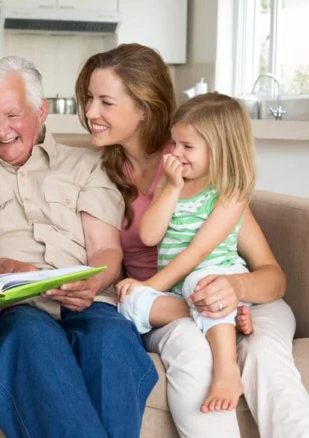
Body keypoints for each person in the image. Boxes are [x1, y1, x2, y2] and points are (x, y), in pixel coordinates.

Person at [75, 43, 309, 436]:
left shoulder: (199, 165)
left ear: (144, 107)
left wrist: (232, 290)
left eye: (105, 102)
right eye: (87, 99)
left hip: (231, 292)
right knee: (192, 349)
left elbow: (272, 277)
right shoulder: (94, 172)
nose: (89, 113)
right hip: (167, 305)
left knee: (265, 355)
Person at [0, 55, 157, 438]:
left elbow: (106, 252)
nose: (1, 129)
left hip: (87, 301)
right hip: (18, 306)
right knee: (31, 338)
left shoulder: (87, 165)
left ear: (41, 111)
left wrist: (93, 284)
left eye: (12, 115)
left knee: (111, 341)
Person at [116, 93, 257, 413]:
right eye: (174, 143)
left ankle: (226, 371)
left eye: (187, 147)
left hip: (219, 282)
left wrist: (150, 284)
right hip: (181, 296)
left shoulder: (230, 194)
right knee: (127, 302)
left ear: (219, 150)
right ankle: (223, 321)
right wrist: (172, 187)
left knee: (200, 281)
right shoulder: (172, 183)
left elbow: (196, 253)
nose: (175, 153)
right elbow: (150, 235)